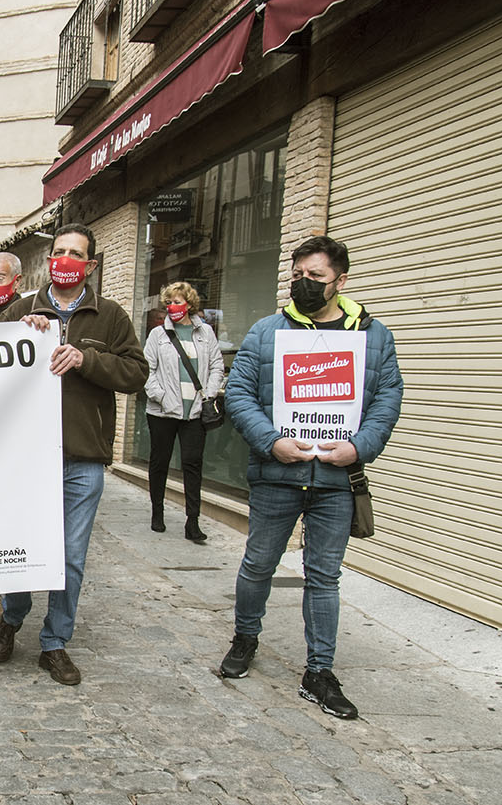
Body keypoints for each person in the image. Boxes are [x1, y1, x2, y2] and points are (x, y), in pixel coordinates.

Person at [218, 235, 402, 720]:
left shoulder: (373, 336)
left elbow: (387, 400)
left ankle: (319, 671)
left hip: (337, 481)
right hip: (278, 472)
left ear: (340, 281)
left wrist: (359, 447)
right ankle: (245, 637)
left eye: (315, 278)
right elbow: (238, 394)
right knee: (258, 564)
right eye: (297, 276)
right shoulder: (265, 332)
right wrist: (271, 441)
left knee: (324, 577)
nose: (303, 284)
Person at [0, 223, 148, 685]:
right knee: (18, 547)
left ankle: (54, 643)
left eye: (76, 253)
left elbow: (136, 373)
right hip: (24, 457)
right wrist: (19, 333)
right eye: (59, 252)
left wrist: (85, 359)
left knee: (70, 556)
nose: (65, 260)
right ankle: (12, 618)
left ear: (91, 264)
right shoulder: (21, 309)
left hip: (82, 457)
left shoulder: (111, 316)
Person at [142, 281, 224, 544]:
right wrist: (162, 397)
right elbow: (147, 371)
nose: (172, 307)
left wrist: (208, 395)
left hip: (195, 412)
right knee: (159, 463)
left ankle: (193, 521)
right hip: (163, 412)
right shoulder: (158, 335)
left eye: (177, 302)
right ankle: (157, 512)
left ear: (189, 304)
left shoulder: (206, 333)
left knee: (192, 464)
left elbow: (216, 367)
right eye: (168, 303)